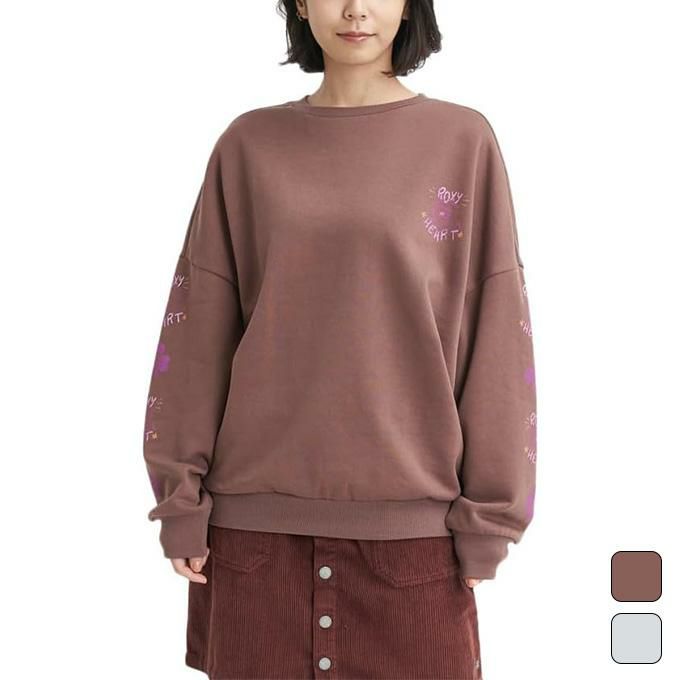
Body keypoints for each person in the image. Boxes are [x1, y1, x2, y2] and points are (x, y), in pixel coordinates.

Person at [142, 1, 537, 678]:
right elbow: (199, 325)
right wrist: (180, 499)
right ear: (300, 3)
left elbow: (498, 334)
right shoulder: (249, 145)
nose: (355, 8)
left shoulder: (461, 141)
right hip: (252, 543)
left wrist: (491, 516)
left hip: (415, 547)